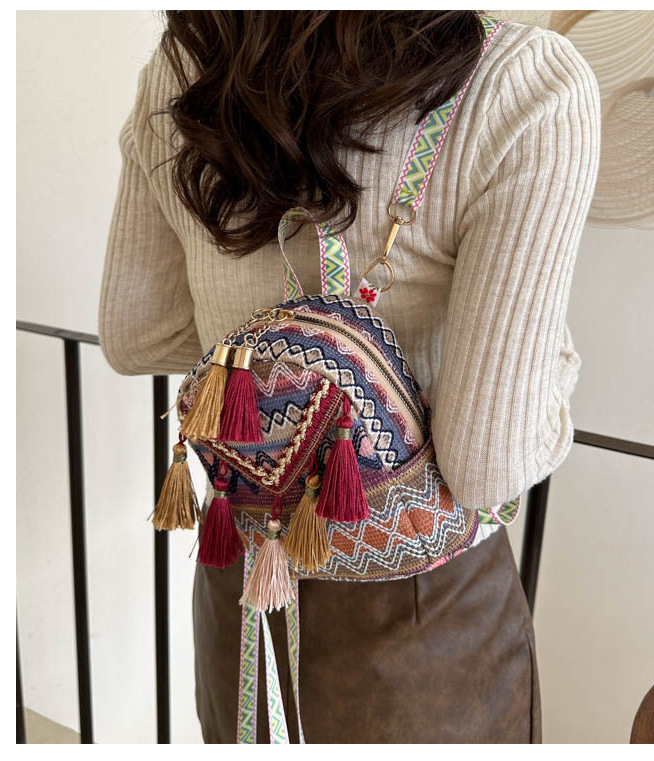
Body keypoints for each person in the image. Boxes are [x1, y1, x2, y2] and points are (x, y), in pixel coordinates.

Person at [99, 10, 600, 743]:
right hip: (420, 627)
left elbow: (136, 334)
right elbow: (486, 463)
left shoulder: (189, 60)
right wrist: (554, 361)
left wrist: (266, 367)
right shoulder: (526, 83)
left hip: (242, 585)